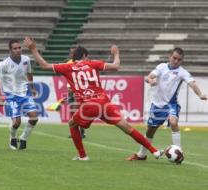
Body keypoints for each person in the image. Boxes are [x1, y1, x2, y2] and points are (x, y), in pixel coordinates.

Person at [24, 37, 163, 160]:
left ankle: (82, 155)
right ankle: (154, 151)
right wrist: (116, 53)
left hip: (89, 105)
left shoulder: (67, 67)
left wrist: (33, 49)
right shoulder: (92, 63)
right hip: (104, 101)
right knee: (126, 126)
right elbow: (116, 66)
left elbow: (44, 65)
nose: (88, 58)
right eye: (87, 56)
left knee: (72, 124)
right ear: (84, 56)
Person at [127, 47, 207, 161]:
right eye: (174, 58)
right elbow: (149, 77)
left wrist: (200, 95)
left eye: (179, 60)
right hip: (157, 105)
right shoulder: (162, 67)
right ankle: (141, 155)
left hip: (171, 104)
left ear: (181, 61)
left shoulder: (182, 72)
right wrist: (151, 81)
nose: (176, 61)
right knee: (150, 131)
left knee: (174, 122)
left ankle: (179, 153)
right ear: (170, 57)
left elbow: (192, 83)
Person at [0, 39, 38, 150]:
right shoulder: (4, 64)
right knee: (17, 123)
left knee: (34, 118)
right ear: (10, 50)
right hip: (11, 95)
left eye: (19, 48)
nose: (18, 50)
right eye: (15, 48)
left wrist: (32, 88)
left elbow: (29, 74)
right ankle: (13, 137)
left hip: (25, 92)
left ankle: (23, 138)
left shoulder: (26, 60)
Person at [66, 46, 86, 139]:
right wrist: (69, 87)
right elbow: (68, 77)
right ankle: (77, 131)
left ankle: (81, 130)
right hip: (71, 90)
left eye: (73, 52)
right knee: (72, 112)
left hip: (80, 91)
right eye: (71, 52)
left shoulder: (83, 63)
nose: (72, 54)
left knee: (78, 111)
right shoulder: (69, 63)